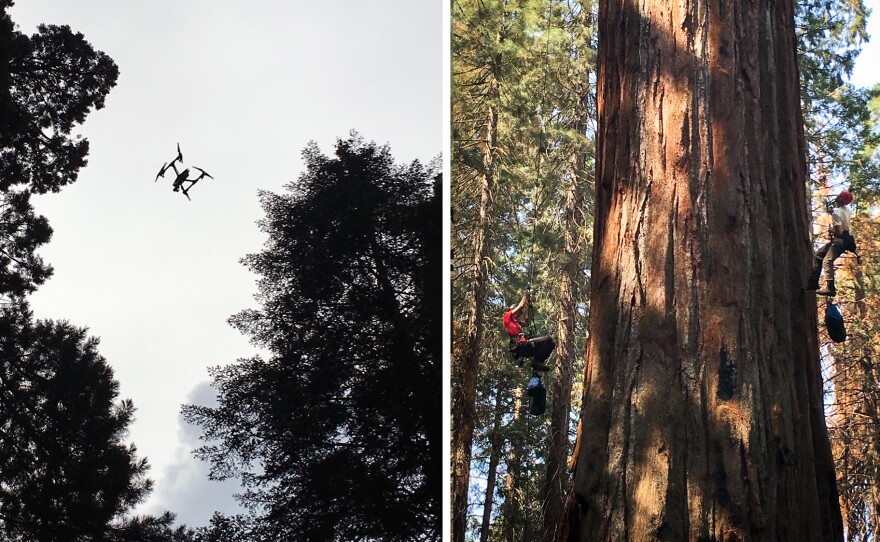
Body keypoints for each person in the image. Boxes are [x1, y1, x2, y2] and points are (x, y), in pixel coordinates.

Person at [806, 190, 857, 297]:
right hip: (845, 239)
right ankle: (813, 282)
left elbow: (839, 231)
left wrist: (831, 231)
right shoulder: (846, 210)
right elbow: (840, 215)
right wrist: (833, 212)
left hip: (840, 240)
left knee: (827, 260)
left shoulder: (837, 213)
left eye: (839, 196)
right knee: (819, 255)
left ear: (841, 199)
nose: (837, 197)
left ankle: (830, 288)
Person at [502, 290, 555, 371]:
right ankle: (537, 361)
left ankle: (537, 362)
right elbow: (520, 305)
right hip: (520, 345)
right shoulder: (507, 317)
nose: (520, 315)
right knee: (548, 339)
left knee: (551, 344)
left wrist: (528, 309)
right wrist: (525, 295)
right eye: (519, 313)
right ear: (513, 310)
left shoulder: (517, 322)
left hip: (524, 346)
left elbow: (527, 323)